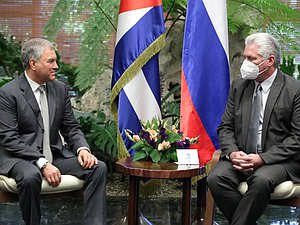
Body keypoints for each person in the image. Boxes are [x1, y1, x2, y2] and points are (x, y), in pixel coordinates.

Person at [0, 38, 107, 225]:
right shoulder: (9, 93)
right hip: (20, 158)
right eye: (51, 61)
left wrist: (83, 149)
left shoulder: (60, 89)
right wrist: (41, 163)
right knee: (30, 176)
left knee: (98, 167)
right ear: (33, 64)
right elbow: (9, 139)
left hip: (54, 155)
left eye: (56, 61)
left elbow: (71, 127)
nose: (56, 66)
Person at [207, 32, 300, 225]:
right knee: (216, 179)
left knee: (260, 180)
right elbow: (225, 127)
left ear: (269, 61)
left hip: (278, 160)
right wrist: (233, 154)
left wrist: (262, 159)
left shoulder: (294, 89)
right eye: (245, 57)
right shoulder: (239, 86)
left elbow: (297, 138)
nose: (245, 63)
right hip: (241, 156)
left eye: (251, 58)